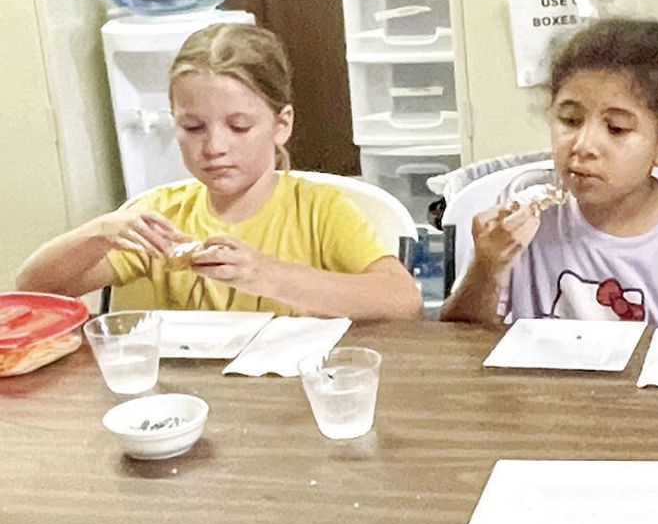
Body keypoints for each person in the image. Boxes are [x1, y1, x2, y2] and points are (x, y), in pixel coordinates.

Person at [17, 23, 421, 320]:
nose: (214, 147)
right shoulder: (163, 217)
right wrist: (98, 233)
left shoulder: (319, 210)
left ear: (282, 125)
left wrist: (267, 275)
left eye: (239, 126)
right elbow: (35, 290)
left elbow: (402, 300)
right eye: (193, 127)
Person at [441, 18, 658, 326]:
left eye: (616, 128)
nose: (583, 146)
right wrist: (488, 266)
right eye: (570, 120)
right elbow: (461, 335)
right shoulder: (522, 211)